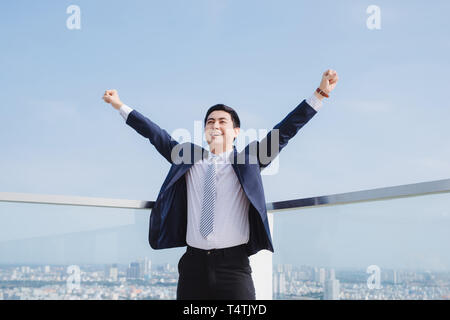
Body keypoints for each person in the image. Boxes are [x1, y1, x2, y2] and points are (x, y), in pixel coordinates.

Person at [102, 69, 339, 300]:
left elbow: (286, 130)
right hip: (192, 265)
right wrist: (119, 105)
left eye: (222, 122)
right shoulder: (187, 157)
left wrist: (319, 94)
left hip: (233, 267)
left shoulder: (250, 159)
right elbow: (154, 134)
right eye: (210, 121)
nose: (215, 125)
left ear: (235, 131)